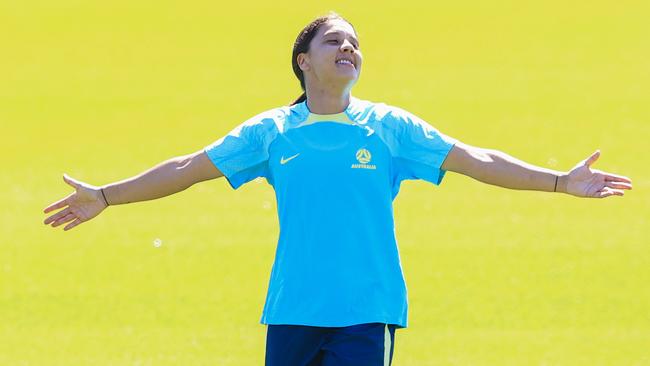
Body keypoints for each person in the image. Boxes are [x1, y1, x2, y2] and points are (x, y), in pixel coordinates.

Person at [43, 12, 633, 366]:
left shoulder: (391, 128)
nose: (348, 49)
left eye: (355, 44)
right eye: (334, 42)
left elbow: (475, 159)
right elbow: (187, 167)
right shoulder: (272, 132)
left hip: (365, 312)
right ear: (303, 61)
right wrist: (107, 194)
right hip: (293, 310)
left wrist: (559, 182)